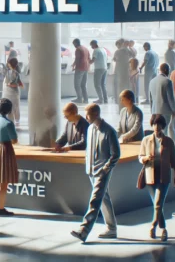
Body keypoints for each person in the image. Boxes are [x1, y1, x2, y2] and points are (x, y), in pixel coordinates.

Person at [71, 103, 120, 242]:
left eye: (88, 114)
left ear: (96, 114)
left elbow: (116, 154)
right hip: (91, 170)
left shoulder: (109, 131)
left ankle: (84, 230)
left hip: (102, 172)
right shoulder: (90, 128)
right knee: (104, 198)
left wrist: (105, 169)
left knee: (95, 200)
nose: (85, 117)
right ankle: (112, 228)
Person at [138, 114, 175, 241]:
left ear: (163, 126)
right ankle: (163, 229)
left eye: (159, 124)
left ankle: (153, 225)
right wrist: (145, 158)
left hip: (164, 176)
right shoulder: (146, 140)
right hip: (150, 175)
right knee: (157, 205)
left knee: (157, 203)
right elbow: (140, 157)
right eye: (154, 124)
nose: (156, 127)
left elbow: (174, 160)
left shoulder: (168, 141)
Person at [149, 63, 175, 142]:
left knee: (157, 131)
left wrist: (152, 111)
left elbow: (150, 98)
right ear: (166, 70)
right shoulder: (167, 81)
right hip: (165, 111)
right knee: (165, 130)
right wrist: (173, 110)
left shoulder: (152, 81)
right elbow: (170, 98)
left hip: (155, 110)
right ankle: (165, 147)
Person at [2, 58, 23, 126]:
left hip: (9, 93)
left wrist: (9, 84)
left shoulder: (9, 72)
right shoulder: (17, 73)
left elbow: (9, 83)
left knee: (10, 107)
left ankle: (11, 122)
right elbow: (20, 84)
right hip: (15, 93)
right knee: (16, 107)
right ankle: (17, 120)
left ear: (9, 64)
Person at [71, 38, 90, 104]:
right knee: (83, 85)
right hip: (86, 68)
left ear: (76, 43)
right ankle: (86, 99)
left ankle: (79, 99)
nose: (74, 45)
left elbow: (77, 59)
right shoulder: (86, 49)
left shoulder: (78, 49)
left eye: (73, 44)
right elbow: (88, 59)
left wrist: (75, 66)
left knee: (77, 85)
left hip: (80, 68)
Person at [89, 40, 108, 104]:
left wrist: (88, 61)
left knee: (97, 84)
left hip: (99, 68)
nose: (91, 47)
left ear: (94, 44)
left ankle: (100, 99)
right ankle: (105, 99)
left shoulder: (96, 50)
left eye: (91, 45)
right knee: (103, 84)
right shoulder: (103, 49)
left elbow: (93, 60)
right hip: (105, 68)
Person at [113, 39, 131, 104]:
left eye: (117, 45)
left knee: (119, 86)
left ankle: (119, 99)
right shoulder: (129, 50)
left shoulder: (118, 51)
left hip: (119, 71)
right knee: (126, 85)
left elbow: (114, 59)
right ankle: (125, 98)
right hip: (126, 70)